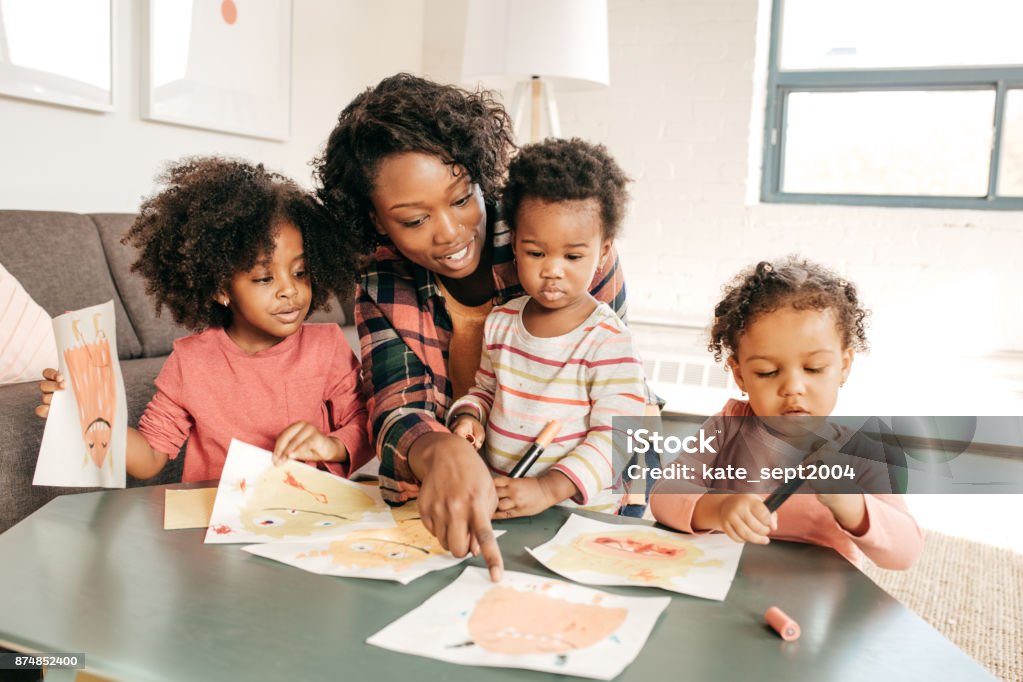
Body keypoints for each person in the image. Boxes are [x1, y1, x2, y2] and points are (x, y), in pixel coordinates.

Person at [315, 74, 642, 580]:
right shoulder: (382, 277)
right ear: (378, 221)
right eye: (414, 220)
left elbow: (628, 422)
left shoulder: (559, 239)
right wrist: (435, 453)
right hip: (486, 497)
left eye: (461, 198)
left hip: (582, 503)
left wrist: (561, 489)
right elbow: (397, 407)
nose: (450, 233)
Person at [37, 157, 372, 482]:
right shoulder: (191, 361)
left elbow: (368, 425)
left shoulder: (326, 346)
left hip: (306, 518)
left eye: (300, 272)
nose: (290, 290)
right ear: (221, 289)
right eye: (264, 278)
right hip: (217, 523)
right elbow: (150, 457)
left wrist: (330, 445)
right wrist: (85, 413)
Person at [650, 257, 923, 569]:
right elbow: (663, 494)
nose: (793, 387)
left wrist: (853, 504)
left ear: (843, 366)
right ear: (740, 375)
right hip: (721, 578)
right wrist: (718, 507)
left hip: (818, 600)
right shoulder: (728, 427)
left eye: (813, 368)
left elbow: (906, 553)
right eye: (767, 372)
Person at [447, 138, 646, 517]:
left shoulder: (608, 341)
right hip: (507, 499)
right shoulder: (502, 321)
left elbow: (619, 438)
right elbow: (486, 390)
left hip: (580, 513)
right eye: (535, 253)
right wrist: (469, 416)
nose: (552, 269)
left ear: (603, 252)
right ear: (515, 243)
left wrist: (547, 488)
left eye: (572, 256)